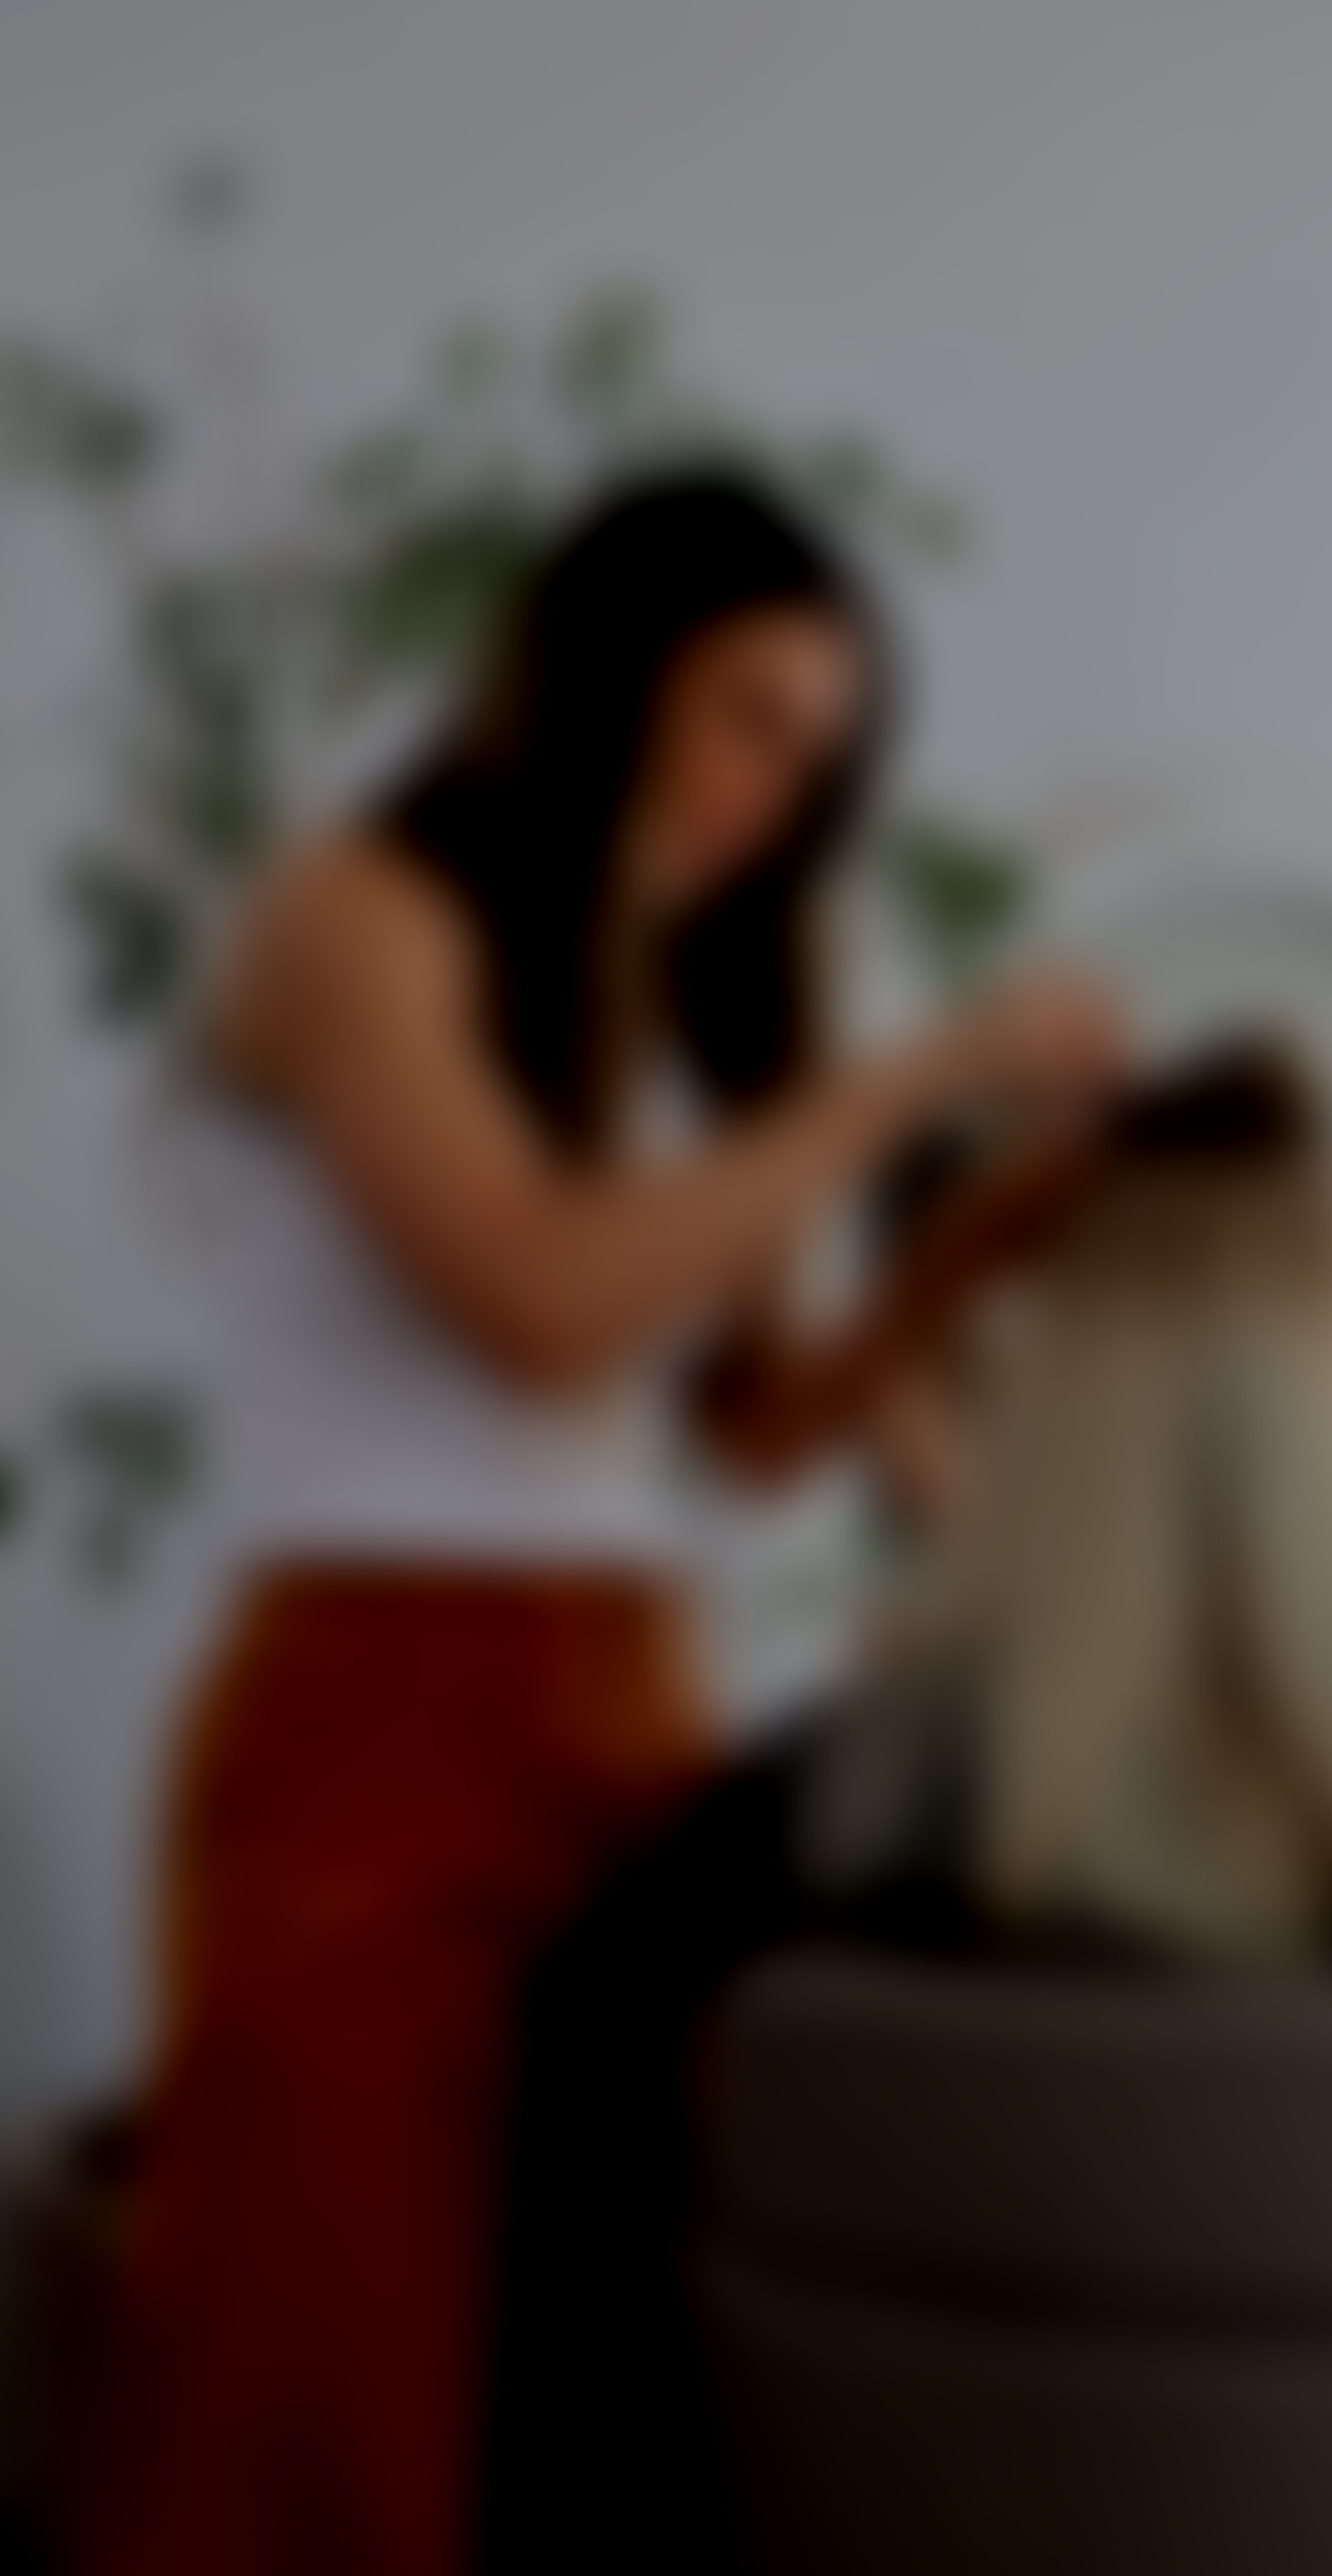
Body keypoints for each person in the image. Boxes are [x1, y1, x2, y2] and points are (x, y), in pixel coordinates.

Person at [62, 465, 1135, 2576]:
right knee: (330, 2400)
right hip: (377, 1717)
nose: (772, 793)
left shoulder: (685, 993)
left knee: (590, 2400)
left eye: (816, 761)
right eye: (749, 715)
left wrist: (947, 1266)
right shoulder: (355, 912)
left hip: (633, 1705)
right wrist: (903, 1081)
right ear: (609, 660)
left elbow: (747, 1430)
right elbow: (541, 1302)